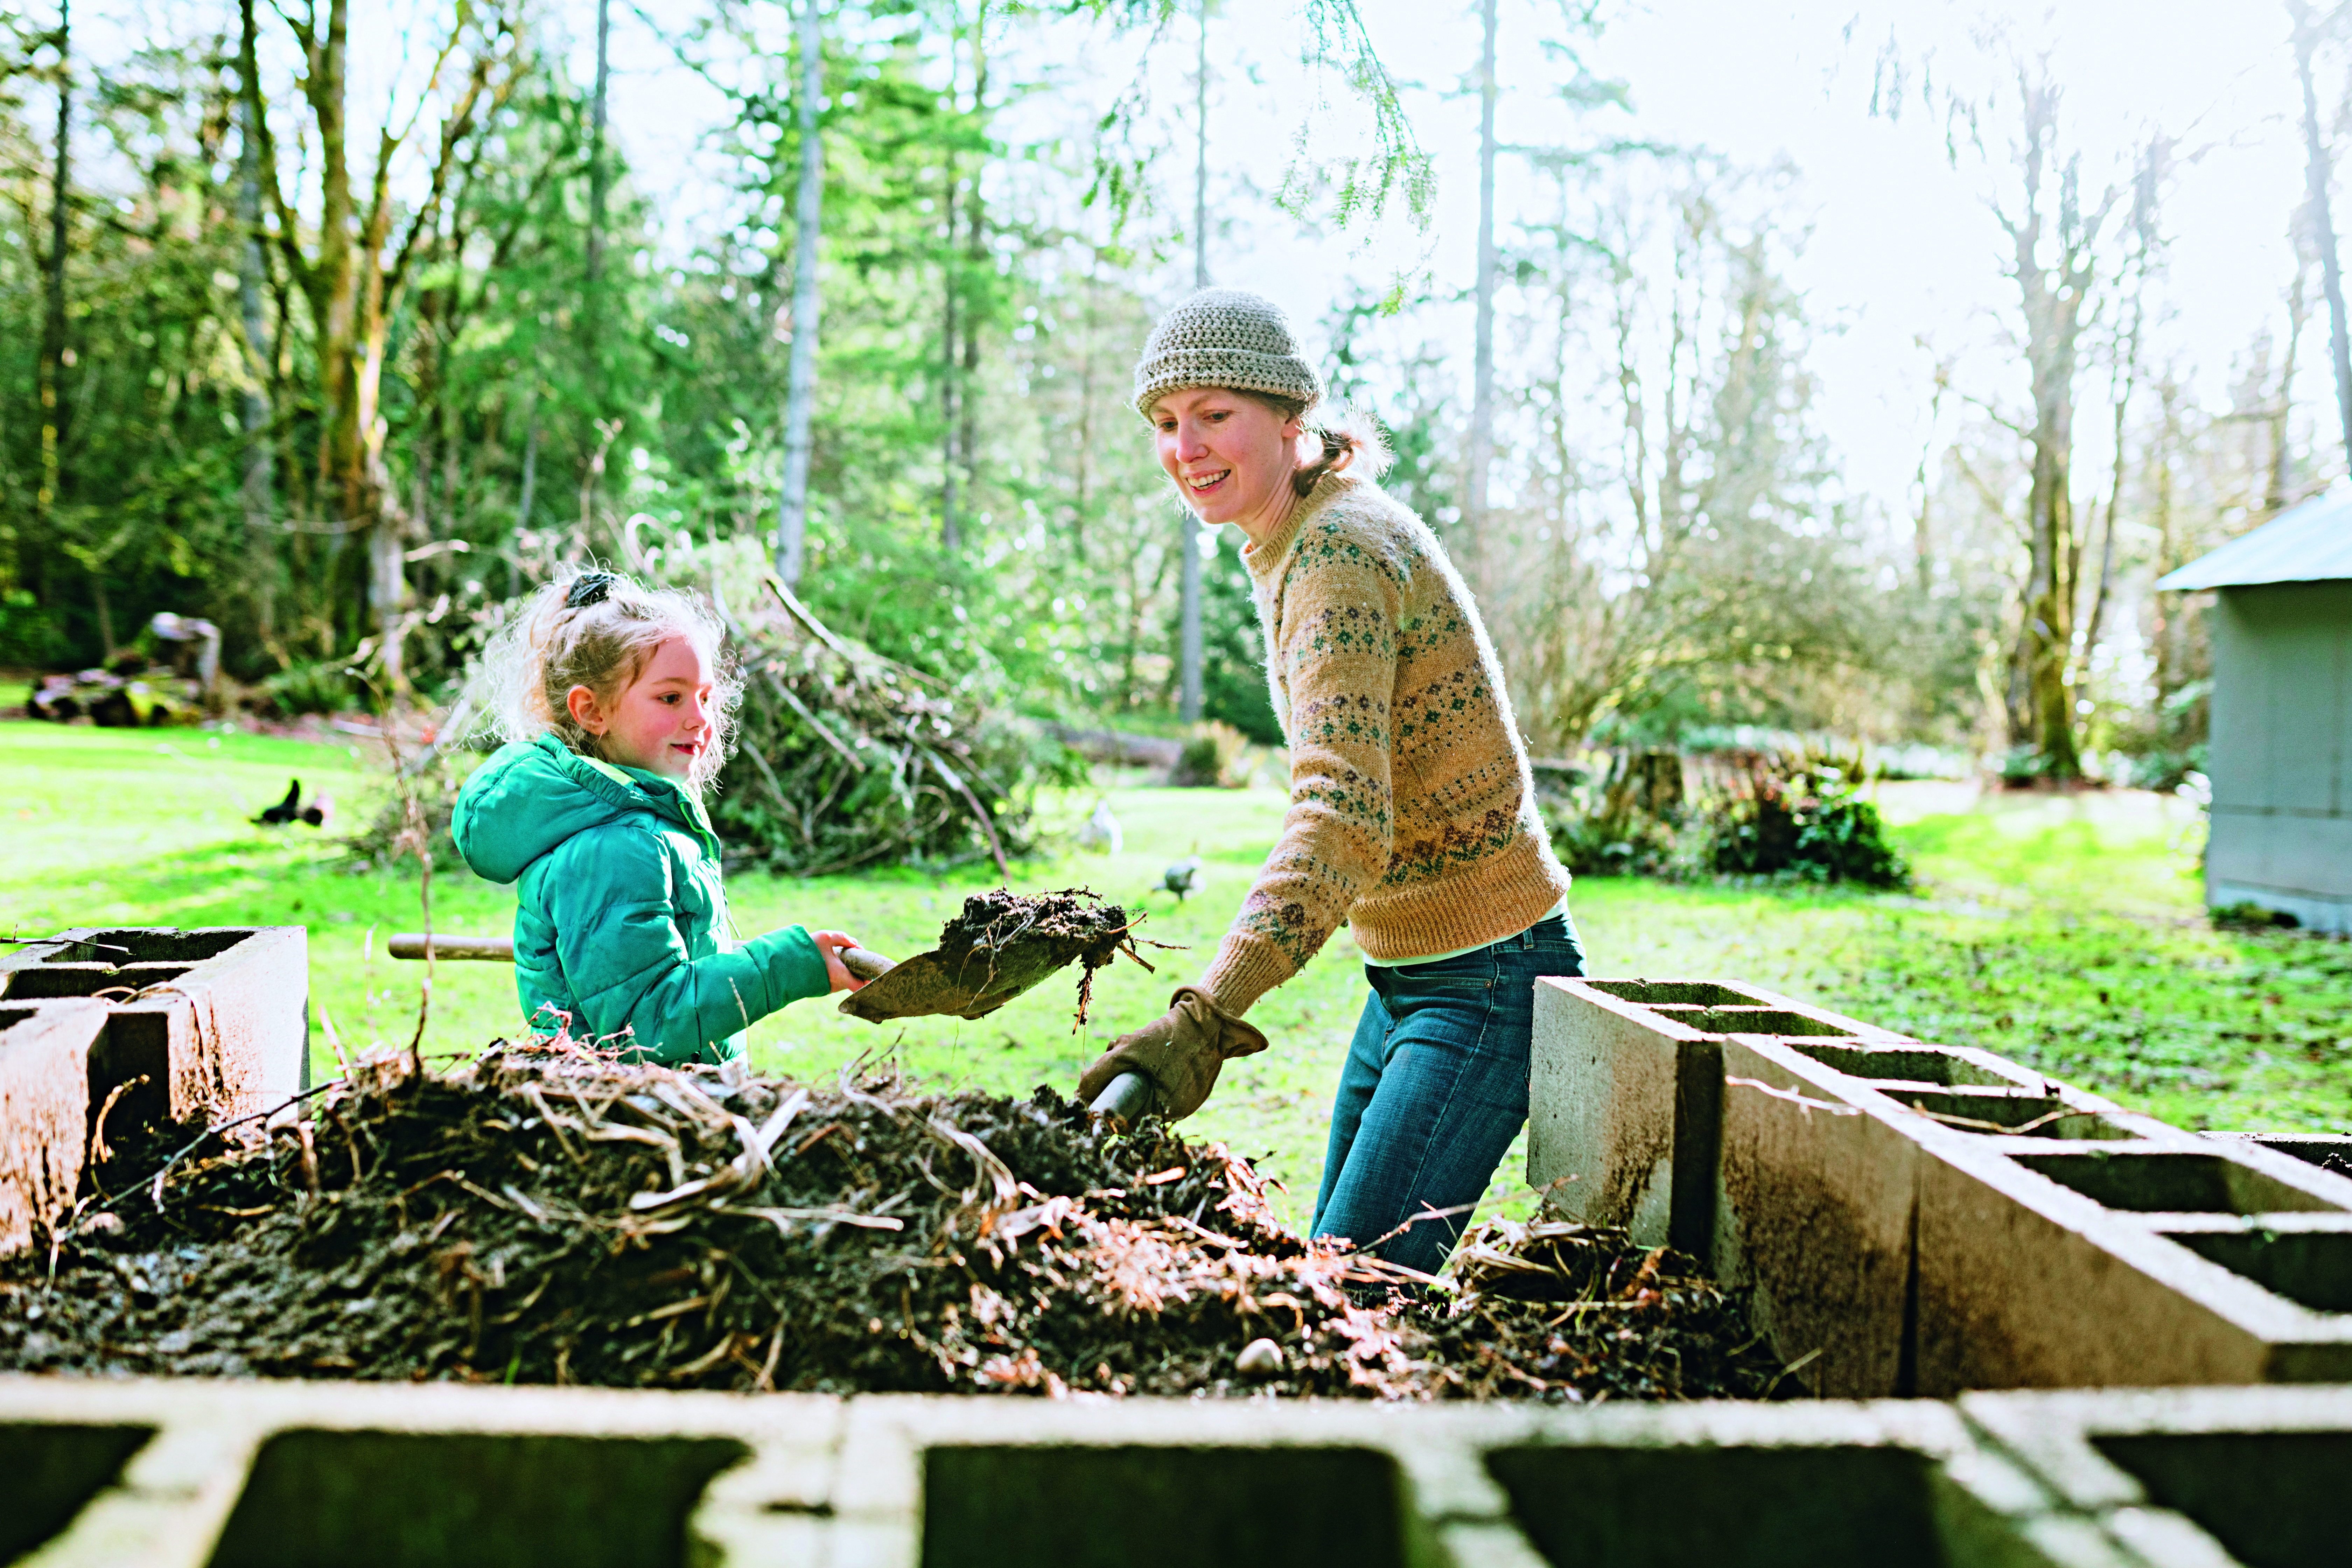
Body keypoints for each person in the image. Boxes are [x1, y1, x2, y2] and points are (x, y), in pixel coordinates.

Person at [1078, 289, 1587, 1275]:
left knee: (1351, 1299)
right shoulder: (1301, 538)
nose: (1187, 447)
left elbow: (1342, 811)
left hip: (1484, 981)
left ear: (1289, 416)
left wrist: (1207, 1014)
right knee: (1335, 1283)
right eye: (1167, 423)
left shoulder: (1337, 554)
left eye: (1215, 415)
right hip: (1413, 976)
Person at [451, 569, 866, 1065]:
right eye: (671, 697)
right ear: (592, 712)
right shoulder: (612, 848)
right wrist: (792, 966)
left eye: (705, 697)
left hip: (665, 1111)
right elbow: (647, 1024)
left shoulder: (636, 825)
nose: (699, 718)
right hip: (632, 1123)